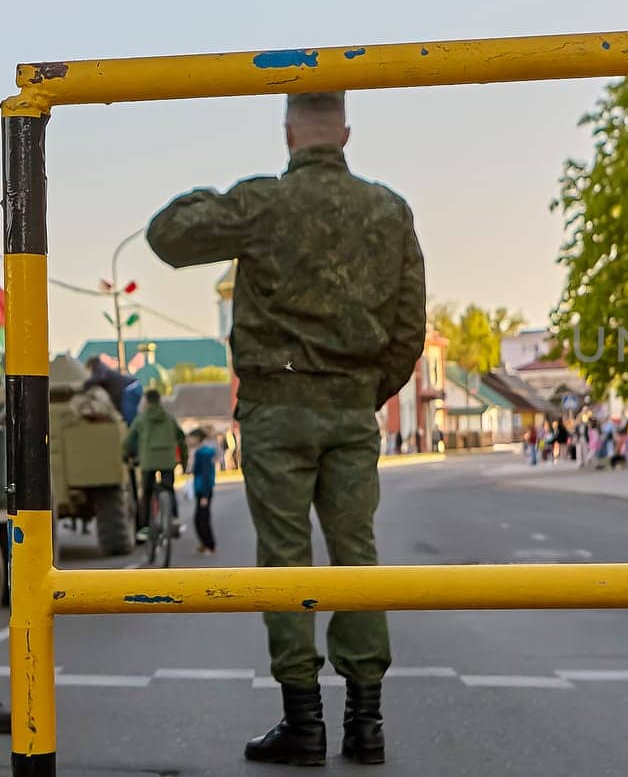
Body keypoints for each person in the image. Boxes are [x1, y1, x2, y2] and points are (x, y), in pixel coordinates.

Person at [147, 91, 425, 767]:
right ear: (347, 133)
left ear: (289, 133)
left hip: (275, 410)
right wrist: (364, 391)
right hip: (352, 409)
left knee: (286, 561)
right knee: (358, 558)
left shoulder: (262, 204)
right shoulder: (388, 210)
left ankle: (303, 724)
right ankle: (367, 724)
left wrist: (219, 195)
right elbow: (410, 327)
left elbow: (166, 235)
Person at [123, 389, 187, 540]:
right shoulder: (169, 418)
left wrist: (127, 457)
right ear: (159, 400)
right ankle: (174, 518)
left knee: (146, 494)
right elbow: (182, 441)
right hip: (168, 460)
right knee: (169, 489)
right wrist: (184, 463)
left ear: (146, 401)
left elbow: (129, 441)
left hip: (148, 461)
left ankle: (144, 527)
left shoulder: (141, 419)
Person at [188, 428, 219, 554]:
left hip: (203, 489)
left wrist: (205, 495)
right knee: (199, 518)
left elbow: (206, 474)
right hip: (200, 488)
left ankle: (209, 544)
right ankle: (204, 543)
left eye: (190, 437)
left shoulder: (203, 453)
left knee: (202, 518)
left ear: (196, 438)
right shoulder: (199, 452)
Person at [84, 357, 141, 426]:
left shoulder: (98, 367)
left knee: (130, 418)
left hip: (127, 390)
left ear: (90, 365)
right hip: (129, 388)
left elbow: (101, 377)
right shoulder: (102, 368)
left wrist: (85, 384)